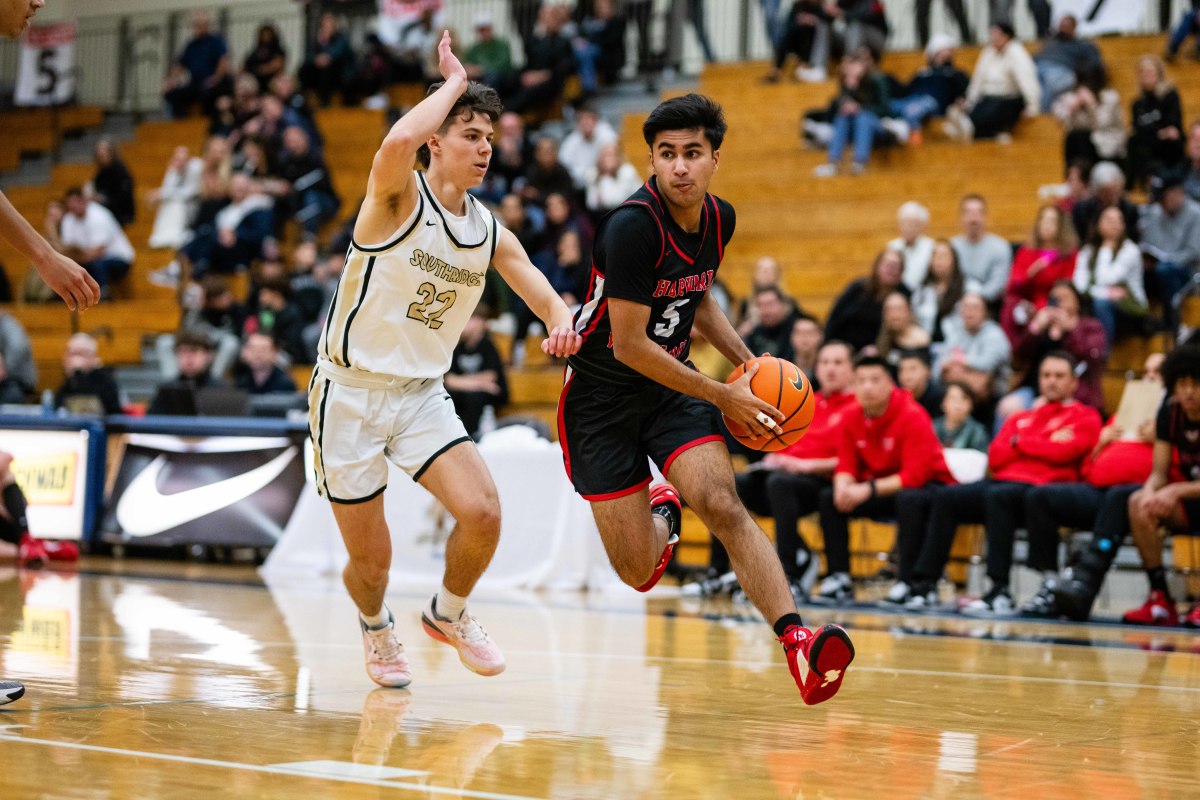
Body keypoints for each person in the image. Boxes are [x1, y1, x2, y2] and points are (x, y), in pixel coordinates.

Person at [558, 93, 855, 705]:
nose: (680, 167)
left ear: (715, 158)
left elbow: (698, 297)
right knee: (637, 572)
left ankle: (797, 642)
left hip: (673, 392)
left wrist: (749, 365)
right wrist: (726, 394)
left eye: (692, 153)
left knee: (723, 503)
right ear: (652, 161)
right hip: (603, 399)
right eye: (667, 155)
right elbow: (631, 348)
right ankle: (664, 510)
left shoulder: (720, 218)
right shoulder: (632, 227)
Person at [310, 34, 582, 690]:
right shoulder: (396, 199)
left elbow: (538, 287)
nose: (484, 146)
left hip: (419, 396)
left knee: (484, 512)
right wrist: (452, 84)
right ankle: (376, 626)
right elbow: (394, 146)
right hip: (348, 394)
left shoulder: (486, 229)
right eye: (468, 132)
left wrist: (561, 320)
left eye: (490, 135)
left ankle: (449, 613)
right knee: (372, 563)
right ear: (437, 139)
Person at [910, 352, 1102, 615]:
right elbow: (997, 455)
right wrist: (1044, 442)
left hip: (1043, 488)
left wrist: (1020, 442)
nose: (1052, 381)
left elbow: (1064, 453)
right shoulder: (1021, 416)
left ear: (1073, 383)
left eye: (1059, 376)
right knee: (947, 496)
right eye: (1046, 375)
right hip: (1004, 479)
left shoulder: (1085, 416)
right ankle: (924, 584)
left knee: (998, 496)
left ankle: (998, 589)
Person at [691, 340, 857, 600]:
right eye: (825, 362)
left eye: (838, 363)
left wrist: (804, 466)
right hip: (783, 478)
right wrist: (773, 459)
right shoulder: (806, 401)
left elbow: (857, 460)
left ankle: (787, 573)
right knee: (731, 486)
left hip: (823, 483)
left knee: (779, 484)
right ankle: (719, 571)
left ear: (852, 370)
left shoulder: (858, 407)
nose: (830, 369)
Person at [1054, 345, 1200, 627]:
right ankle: (1160, 597)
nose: (1189, 391)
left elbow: (1170, 485)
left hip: (1187, 491)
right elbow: (1158, 474)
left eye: (1196, 383)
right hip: (1187, 499)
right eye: (1182, 384)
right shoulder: (1170, 414)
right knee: (1136, 503)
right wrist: (1149, 492)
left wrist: (1174, 490)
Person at [813, 354, 957, 606]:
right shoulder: (850, 416)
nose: (867, 386)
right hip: (880, 487)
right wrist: (843, 487)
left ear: (890, 383)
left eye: (875, 380)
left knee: (909, 499)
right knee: (830, 498)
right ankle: (840, 577)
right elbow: (846, 463)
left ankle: (906, 580)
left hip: (927, 487)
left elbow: (915, 476)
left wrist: (866, 489)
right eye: (861, 380)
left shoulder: (913, 414)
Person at [943, 23, 1039, 143]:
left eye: (996, 34)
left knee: (985, 117)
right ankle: (991, 134)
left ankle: (972, 130)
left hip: (1009, 99)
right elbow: (978, 80)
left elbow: (1027, 80)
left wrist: (1032, 106)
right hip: (987, 98)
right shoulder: (988, 52)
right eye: (991, 34)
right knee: (975, 113)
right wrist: (970, 100)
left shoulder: (1017, 53)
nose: (992, 38)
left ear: (1006, 36)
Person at [1000, 204, 1079, 343]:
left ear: (1061, 226)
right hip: (1029, 303)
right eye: (1043, 220)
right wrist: (1030, 274)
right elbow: (1012, 286)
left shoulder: (1069, 254)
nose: (1047, 225)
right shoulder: (1026, 251)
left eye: (1052, 221)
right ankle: (1011, 352)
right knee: (1011, 306)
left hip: (1057, 303)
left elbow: (1068, 285)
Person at [1073, 205, 1147, 342]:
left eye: (1119, 220)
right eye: (1109, 220)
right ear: (1098, 223)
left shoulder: (1130, 250)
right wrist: (1106, 293)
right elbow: (1079, 285)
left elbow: (1105, 279)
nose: (1114, 224)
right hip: (1099, 302)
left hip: (1131, 307)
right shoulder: (1088, 250)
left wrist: (1106, 249)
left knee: (1101, 304)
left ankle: (1102, 356)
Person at [813, 52, 891, 178]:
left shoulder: (877, 80)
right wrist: (849, 94)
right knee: (842, 116)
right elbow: (835, 106)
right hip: (853, 125)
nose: (851, 69)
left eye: (854, 65)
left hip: (877, 124)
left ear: (863, 65)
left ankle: (859, 161)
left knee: (863, 117)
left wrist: (860, 108)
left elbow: (885, 109)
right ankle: (833, 162)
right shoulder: (847, 82)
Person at [1141, 170, 1200, 331]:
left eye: (1164, 198)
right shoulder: (1155, 212)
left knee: (1166, 270)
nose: (1161, 204)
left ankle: (1172, 323)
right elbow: (1146, 244)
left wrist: (1165, 259)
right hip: (1157, 269)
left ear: (1177, 193)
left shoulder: (1196, 214)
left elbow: (1194, 253)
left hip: (1188, 272)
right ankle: (1144, 322)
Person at [888, 35, 970, 144]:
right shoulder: (922, 73)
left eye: (948, 52)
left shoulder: (954, 74)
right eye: (941, 52)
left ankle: (913, 136)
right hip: (912, 99)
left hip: (932, 102)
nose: (945, 54)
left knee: (914, 109)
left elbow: (964, 91)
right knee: (888, 106)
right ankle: (898, 128)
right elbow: (905, 90)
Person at [936, 292, 1012, 407]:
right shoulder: (957, 332)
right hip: (960, 390)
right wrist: (963, 371)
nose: (969, 311)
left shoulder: (994, 334)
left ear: (985, 313)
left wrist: (958, 362)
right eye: (965, 307)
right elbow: (941, 366)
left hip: (993, 397)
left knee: (982, 384)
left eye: (975, 307)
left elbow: (986, 365)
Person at [824, 248, 907, 351]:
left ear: (902, 271)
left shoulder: (903, 294)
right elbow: (835, 317)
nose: (891, 270)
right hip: (844, 347)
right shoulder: (858, 288)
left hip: (878, 354)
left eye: (896, 267)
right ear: (877, 266)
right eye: (888, 265)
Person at [57, 188, 133, 299]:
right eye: (71, 204)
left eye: (77, 202)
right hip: (89, 260)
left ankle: (102, 298)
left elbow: (99, 251)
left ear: (84, 201)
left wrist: (78, 255)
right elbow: (66, 250)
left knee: (97, 264)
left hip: (118, 259)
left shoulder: (99, 215)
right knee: (65, 267)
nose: (74, 206)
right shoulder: (68, 220)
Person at [444, 309, 508, 438]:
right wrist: (479, 383)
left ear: (481, 322)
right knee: (448, 397)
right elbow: (449, 380)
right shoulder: (457, 346)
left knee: (475, 398)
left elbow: (491, 377)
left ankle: (469, 436)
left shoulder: (488, 345)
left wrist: (461, 381)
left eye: (470, 319)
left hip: (489, 396)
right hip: (468, 392)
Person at [1128, 55, 1185, 190]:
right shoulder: (1137, 104)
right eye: (1143, 73)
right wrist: (1159, 132)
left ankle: (1172, 179)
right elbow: (1138, 129)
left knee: (1172, 139)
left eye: (1150, 72)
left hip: (1167, 148)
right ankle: (1132, 185)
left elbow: (1174, 125)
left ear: (1159, 73)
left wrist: (1152, 132)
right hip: (1149, 148)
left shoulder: (1170, 95)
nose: (1147, 76)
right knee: (1133, 142)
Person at [162, 12, 232, 118]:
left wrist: (216, 78)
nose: (197, 28)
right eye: (195, 25)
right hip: (195, 83)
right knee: (175, 93)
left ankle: (207, 123)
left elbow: (223, 61)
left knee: (207, 93)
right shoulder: (191, 45)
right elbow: (180, 65)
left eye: (199, 24)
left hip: (213, 82)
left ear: (207, 25)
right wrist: (170, 80)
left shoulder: (216, 41)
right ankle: (181, 122)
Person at [951, 194, 1012, 307]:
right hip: (956, 304)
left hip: (989, 306)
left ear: (985, 217)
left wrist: (975, 299)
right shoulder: (952, 246)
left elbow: (998, 284)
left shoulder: (1000, 247)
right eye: (968, 213)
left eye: (978, 213)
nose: (973, 219)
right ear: (961, 217)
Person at [1032, 14, 1102, 113]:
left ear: (1074, 27)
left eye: (1066, 26)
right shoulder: (1050, 43)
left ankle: (1042, 114)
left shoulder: (1082, 45)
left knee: (1051, 81)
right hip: (1038, 68)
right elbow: (1036, 57)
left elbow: (1095, 64)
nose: (1063, 28)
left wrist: (1084, 83)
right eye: (1061, 26)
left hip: (1062, 71)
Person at [147, 330, 224, 414]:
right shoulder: (167, 392)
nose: (188, 357)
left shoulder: (221, 391)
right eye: (183, 352)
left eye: (194, 351)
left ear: (209, 356)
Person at [147, 146, 203, 250]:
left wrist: (161, 194)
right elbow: (167, 188)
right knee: (167, 203)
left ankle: (174, 234)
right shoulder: (173, 169)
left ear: (189, 159)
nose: (181, 163)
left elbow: (190, 192)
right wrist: (174, 173)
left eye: (183, 160)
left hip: (192, 207)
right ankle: (163, 235)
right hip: (177, 203)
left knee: (174, 203)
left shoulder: (197, 167)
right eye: (178, 160)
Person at [55, 332, 122, 415]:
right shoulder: (66, 385)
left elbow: (114, 414)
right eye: (71, 354)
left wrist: (79, 373)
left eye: (80, 354)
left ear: (93, 357)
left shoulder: (105, 382)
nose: (74, 360)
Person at [911, 239, 964, 340]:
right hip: (926, 343)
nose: (938, 260)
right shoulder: (921, 290)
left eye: (944, 256)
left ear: (954, 259)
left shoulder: (967, 288)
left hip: (959, 345)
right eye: (935, 255)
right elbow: (914, 320)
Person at [300, 12, 355, 107]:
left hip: (339, 74)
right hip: (319, 73)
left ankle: (325, 101)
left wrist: (324, 45)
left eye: (330, 24)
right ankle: (303, 99)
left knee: (326, 68)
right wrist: (316, 57)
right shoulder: (317, 40)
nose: (327, 27)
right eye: (325, 24)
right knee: (303, 69)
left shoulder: (342, 38)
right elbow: (308, 56)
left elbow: (336, 55)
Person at [744, 286, 801, 361]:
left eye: (770, 304)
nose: (766, 311)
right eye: (761, 305)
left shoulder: (796, 330)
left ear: (783, 305)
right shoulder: (753, 333)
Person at [875, 292, 931, 367]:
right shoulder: (884, 337)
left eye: (899, 309)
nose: (894, 314)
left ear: (909, 311)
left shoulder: (920, 339)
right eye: (889, 310)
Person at [90, 138, 135, 227]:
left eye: (104, 152)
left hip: (120, 215)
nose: (101, 154)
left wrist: (103, 199)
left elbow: (124, 197)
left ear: (112, 153)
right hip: (105, 214)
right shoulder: (101, 172)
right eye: (99, 153)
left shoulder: (120, 171)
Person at [890, 202, 934, 290]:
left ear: (922, 226)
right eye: (905, 222)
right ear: (900, 225)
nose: (909, 227)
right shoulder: (893, 246)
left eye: (914, 223)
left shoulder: (931, 247)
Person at [935, 381, 990, 451]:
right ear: (943, 403)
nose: (958, 403)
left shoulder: (977, 432)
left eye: (964, 398)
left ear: (971, 404)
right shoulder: (932, 427)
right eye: (953, 398)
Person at [243, 23, 287, 93]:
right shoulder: (256, 51)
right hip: (254, 78)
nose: (265, 37)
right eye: (263, 34)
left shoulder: (277, 50)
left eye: (267, 34)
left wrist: (260, 69)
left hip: (272, 78)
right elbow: (245, 65)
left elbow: (276, 65)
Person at [898, 351, 942, 418]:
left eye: (913, 369)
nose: (906, 376)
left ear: (927, 371)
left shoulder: (940, 397)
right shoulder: (895, 397)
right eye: (902, 370)